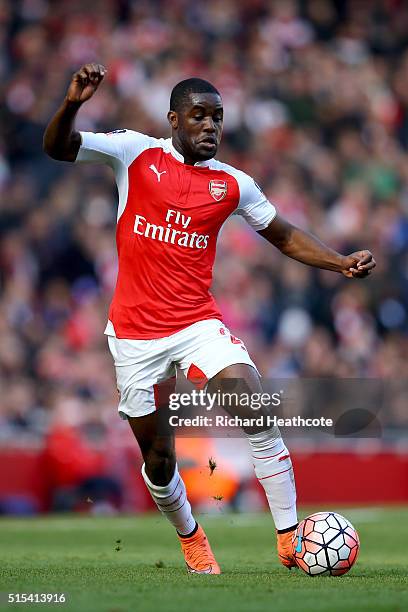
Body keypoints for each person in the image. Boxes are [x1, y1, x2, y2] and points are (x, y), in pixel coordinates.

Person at [43, 63, 376, 575]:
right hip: (134, 333)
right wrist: (72, 104)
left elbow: (283, 234)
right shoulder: (135, 152)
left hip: (196, 323)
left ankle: (289, 539)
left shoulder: (233, 184)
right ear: (174, 119)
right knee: (159, 460)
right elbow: (58, 149)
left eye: (217, 118)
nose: (210, 127)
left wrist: (338, 261)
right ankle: (191, 536)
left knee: (254, 404)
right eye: (199, 116)